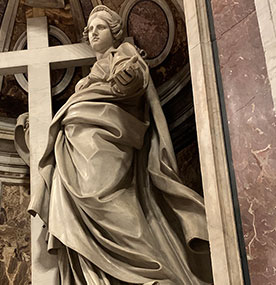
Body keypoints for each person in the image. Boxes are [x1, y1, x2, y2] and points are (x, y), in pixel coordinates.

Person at [15, 5, 212, 284]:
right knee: (76, 206)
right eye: (91, 29)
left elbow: (135, 80)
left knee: (109, 204)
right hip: (75, 149)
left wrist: (126, 80)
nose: (94, 33)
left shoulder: (124, 55)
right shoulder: (85, 80)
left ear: (115, 33)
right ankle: (99, 275)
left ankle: (153, 269)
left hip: (108, 145)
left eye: (101, 27)